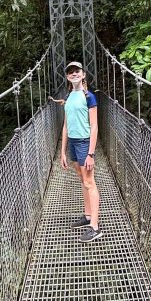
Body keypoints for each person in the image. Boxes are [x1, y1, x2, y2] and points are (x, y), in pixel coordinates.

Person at [60, 61, 102, 242]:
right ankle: (87, 216)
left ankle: (95, 226)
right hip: (73, 143)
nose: (74, 74)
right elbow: (66, 126)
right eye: (70, 72)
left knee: (89, 182)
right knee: (82, 178)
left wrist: (91, 153)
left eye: (77, 71)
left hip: (84, 142)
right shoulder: (68, 96)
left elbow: (94, 126)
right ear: (67, 77)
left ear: (83, 74)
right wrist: (62, 151)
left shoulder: (89, 97)